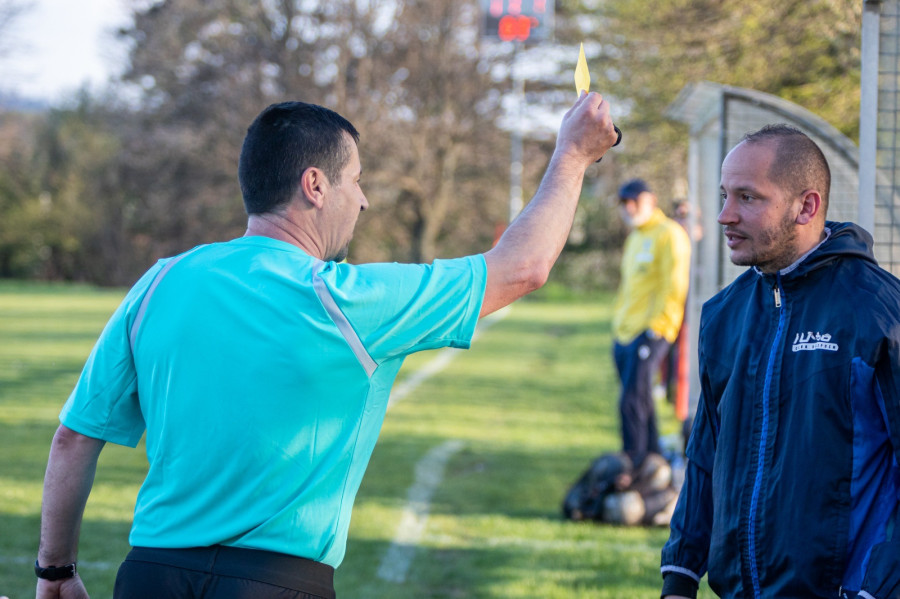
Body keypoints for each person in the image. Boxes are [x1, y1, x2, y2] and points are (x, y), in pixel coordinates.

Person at [34, 95, 618, 599]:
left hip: (150, 573)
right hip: (274, 580)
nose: (362, 200)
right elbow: (522, 268)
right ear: (315, 185)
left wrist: (55, 568)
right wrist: (572, 154)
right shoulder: (347, 301)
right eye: (355, 180)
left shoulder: (159, 281)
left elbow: (72, 438)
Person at [660, 124, 900, 599]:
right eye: (725, 195)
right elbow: (705, 455)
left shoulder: (878, 313)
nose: (726, 215)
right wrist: (680, 574)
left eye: (748, 197)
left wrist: (875, 588)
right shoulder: (722, 314)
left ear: (805, 207)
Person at [611, 179, 691, 467]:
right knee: (640, 399)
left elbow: (675, 286)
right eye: (624, 202)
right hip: (624, 333)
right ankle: (653, 460)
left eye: (634, 201)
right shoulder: (634, 237)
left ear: (651, 200)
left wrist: (658, 328)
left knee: (631, 402)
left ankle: (632, 465)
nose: (628, 208)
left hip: (651, 332)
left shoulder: (669, 234)